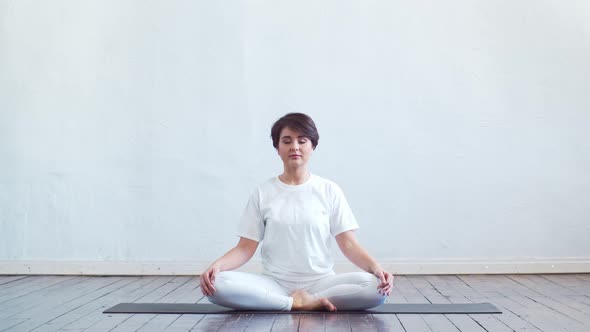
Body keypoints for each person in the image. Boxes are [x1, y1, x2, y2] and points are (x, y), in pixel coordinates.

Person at [199, 113, 394, 311]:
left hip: (322, 283)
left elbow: (349, 244)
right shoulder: (263, 192)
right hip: (274, 284)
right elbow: (245, 248)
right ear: (277, 148)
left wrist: (376, 268)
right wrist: (217, 266)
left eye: (302, 141)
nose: (295, 147)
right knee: (218, 284)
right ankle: (296, 303)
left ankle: (305, 300)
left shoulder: (329, 190)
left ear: (312, 146)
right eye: (286, 141)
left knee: (375, 288)